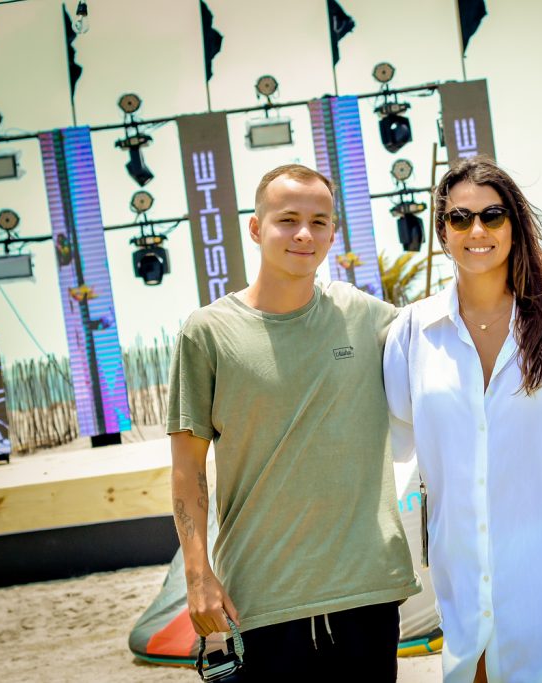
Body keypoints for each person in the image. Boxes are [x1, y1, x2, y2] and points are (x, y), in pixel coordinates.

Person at [384, 156, 542, 683]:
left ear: (514, 226)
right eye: (460, 218)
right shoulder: (411, 333)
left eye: (493, 215)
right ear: (442, 232)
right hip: (467, 590)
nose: (477, 230)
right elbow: (395, 443)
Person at [167, 164, 421, 678]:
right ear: (257, 228)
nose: (305, 234)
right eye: (287, 219)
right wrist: (197, 575)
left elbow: (453, 340)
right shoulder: (207, 333)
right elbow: (186, 469)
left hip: (367, 593)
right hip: (262, 600)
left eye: (320, 221)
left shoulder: (367, 316)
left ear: (333, 231)